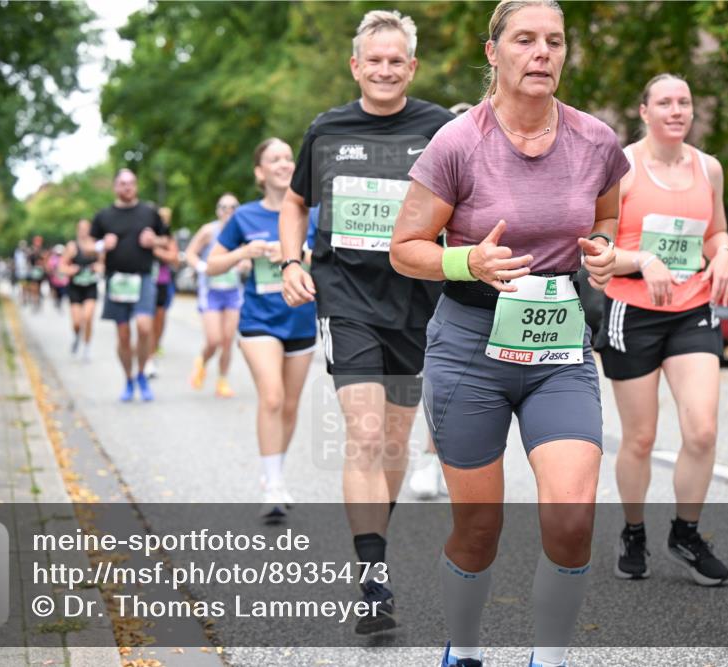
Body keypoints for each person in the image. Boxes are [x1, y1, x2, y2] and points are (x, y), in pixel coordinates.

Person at [388, 2, 629, 665]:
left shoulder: (596, 141)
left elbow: (607, 214)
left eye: (554, 40)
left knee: (573, 516)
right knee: (479, 527)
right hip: (470, 343)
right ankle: (462, 650)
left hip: (558, 348)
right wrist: (467, 259)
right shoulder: (458, 142)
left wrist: (603, 249)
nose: (541, 52)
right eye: (525, 39)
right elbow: (404, 247)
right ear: (493, 52)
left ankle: (546, 658)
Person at [279, 9, 455, 635]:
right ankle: (373, 576)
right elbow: (296, 202)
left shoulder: (440, 128)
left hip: (416, 303)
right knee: (365, 429)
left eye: (395, 60)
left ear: (411, 66)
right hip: (346, 297)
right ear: (355, 66)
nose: (384, 69)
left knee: (394, 443)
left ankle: (374, 552)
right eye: (372, 60)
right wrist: (289, 260)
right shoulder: (326, 131)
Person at [601, 73, 728, 587]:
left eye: (684, 102)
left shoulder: (709, 168)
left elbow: (716, 230)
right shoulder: (623, 171)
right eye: (665, 102)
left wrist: (724, 253)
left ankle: (685, 532)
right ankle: (633, 530)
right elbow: (597, 249)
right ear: (644, 111)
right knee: (640, 439)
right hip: (631, 313)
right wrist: (642, 260)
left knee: (701, 429)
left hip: (691, 310)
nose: (677, 110)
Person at [207, 138, 317, 522]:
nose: (284, 164)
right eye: (275, 159)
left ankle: (275, 472)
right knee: (271, 397)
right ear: (260, 172)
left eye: (289, 158)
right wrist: (246, 252)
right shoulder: (244, 217)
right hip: (259, 320)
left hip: (301, 318)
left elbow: (326, 259)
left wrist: (294, 255)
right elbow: (212, 266)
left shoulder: (311, 213)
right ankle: (271, 485)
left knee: (288, 406)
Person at [409, 102, 474, 501]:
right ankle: (430, 459)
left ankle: (444, 460)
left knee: (464, 387)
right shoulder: (432, 172)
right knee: (438, 382)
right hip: (430, 288)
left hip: (486, 294)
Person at [90, 168, 171, 402]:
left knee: (145, 327)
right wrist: (101, 245)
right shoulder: (104, 216)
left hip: (143, 278)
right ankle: (128, 379)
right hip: (117, 280)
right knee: (124, 335)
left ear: (136, 186)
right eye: (123, 183)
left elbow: (167, 239)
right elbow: (87, 244)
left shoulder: (149, 213)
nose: (127, 187)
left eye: (131, 183)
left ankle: (142, 372)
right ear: (115, 186)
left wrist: (154, 240)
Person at [185, 193, 244, 397]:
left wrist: (245, 264)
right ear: (217, 210)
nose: (228, 211)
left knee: (228, 340)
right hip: (211, 292)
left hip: (232, 292)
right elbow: (190, 253)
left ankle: (222, 381)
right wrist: (202, 266)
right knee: (214, 340)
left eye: (233, 207)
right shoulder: (209, 231)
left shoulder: (243, 231)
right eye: (223, 207)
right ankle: (201, 361)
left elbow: (248, 259)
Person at [144, 206, 181, 379]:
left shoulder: (167, 236)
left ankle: (155, 346)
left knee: (159, 319)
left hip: (162, 282)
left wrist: (156, 249)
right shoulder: (143, 232)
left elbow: (174, 259)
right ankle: (148, 358)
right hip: (145, 282)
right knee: (146, 321)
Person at [61, 219, 103, 361]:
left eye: (86, 228)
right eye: (81, 228)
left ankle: (87, 348)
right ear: (77, 230)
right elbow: (61, 267)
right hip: (75, 288)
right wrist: (70, 270)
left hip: (90, 286)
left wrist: (99, 268)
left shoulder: (96, 247)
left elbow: (103, 264)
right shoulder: (72, 247)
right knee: (77, 322)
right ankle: (77, 336)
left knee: (88, 317)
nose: (84, 231)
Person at [26, 236, 47, 310]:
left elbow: (45, 260)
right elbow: (28, 260)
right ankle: (34, 300)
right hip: (33, 271)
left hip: (40, 271)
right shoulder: (31, 250)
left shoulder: (42, 250)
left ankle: (37, 300)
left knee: (39, 286)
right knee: (33, 286)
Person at [47, 245, 69, 311]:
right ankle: (56, 301)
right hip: (55, 278)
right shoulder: (52, 258)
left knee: (62, 292)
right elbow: (50, 267)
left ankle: (60, 302)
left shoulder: (65, 258)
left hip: (63, 279)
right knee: (56, 291)